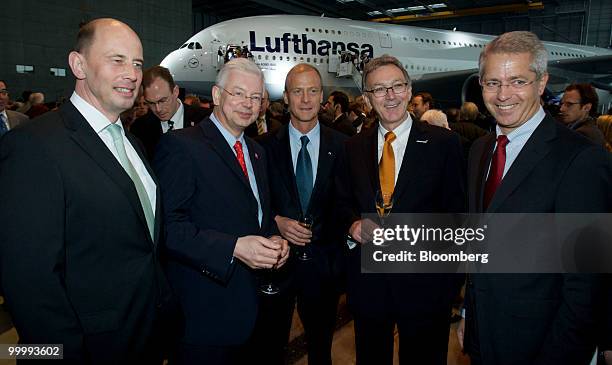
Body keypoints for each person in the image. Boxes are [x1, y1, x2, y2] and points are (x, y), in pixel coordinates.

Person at [0, 18, 173, 363]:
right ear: (78, 64)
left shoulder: (133, 142)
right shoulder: (33, 145)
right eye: (117, 60)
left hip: (144, 338)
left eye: (137, 63)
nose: (132, 73)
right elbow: (28, 283)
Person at [459, 31, 612, 365]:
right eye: (492, 83)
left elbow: (587, 282)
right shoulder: (480, 150)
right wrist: (470, 312)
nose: (503, 95)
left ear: (541, 83)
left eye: (517, 81)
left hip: (542, 345)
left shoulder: (580, 159)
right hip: (484, 334)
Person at [152, 57, 289, 365]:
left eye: (255, 97)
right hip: (204, 317)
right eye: (238, 93)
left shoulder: (256, 151)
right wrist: (233, 247)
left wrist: (274, 239)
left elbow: (255, 218)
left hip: (252, 312)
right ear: (216, 95)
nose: (248, 104)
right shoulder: (181, 146)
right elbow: (168, 228)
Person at [336, 54, 465, 364]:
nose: (389, 95)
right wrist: (352, 224)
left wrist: (448, 289)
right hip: (369, 286)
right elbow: (341, 202)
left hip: (425, 286)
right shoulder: (352, 147)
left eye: (396, 86)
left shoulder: (444, 144)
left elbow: (459, 217)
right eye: (379, 89)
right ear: (367, 99)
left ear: (409, 90)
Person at [256, 63, 347, 365]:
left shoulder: (345, 146)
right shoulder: (263, 148)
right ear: (285, 97)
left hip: (324, 270)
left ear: (322, 96)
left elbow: (349, 205)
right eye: (298, 91)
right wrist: (276, 222)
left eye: (312, 91)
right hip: (276, 267)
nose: (305, 99)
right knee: (270, 347)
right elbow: (253, 204)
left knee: (321, 350)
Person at [131, 65, 208, 159]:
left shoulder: (205, 120)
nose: (158, 109)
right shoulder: (139, 128)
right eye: (151, 103)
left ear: (175, 91)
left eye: (163, 100)